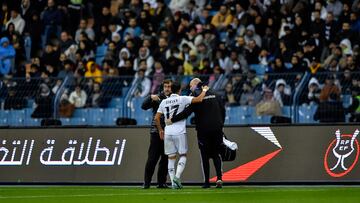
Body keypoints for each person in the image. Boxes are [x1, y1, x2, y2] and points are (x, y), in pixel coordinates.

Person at [167, 78, 225, 188]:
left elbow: (186, 112)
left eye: (190, 85)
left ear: (195, 84)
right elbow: (223, 110)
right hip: (217, 128)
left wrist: (172, 119)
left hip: (203, 129)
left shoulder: (195, 95)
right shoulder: (216, 93)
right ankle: (219, 179)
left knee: (205, 155)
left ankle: (207, 182)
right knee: (216, 154)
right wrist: (221, 124)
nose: (190, 88)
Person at [155, 81, 208, 189]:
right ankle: (177, 177)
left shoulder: (164, 102)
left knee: (171, 158)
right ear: (179, 90)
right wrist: (204, 91)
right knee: (183, 155)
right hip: (179, 131)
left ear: (171, 90)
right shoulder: (182, 98)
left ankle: (173, 183)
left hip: (168, 132)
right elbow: (199, 99)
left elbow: (156, 118)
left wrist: (160, 129)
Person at [141, 79, 172, 189]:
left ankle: (161, 183)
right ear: (163, 88)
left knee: (165, 159)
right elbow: (143, 106)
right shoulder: (157, 97)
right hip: (156, 132)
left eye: (169, 87)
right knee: (152, 158)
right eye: (166, 87)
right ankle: (147, 182)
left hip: (169, 132)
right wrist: (150, 97)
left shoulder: (174, 99)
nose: (167, 89)